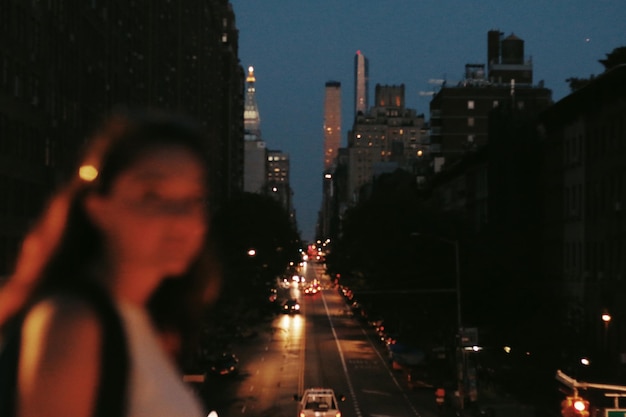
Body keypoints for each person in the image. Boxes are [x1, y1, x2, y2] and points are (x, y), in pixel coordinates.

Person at [0, 107, 221, 417]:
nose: (180, 218)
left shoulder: (144, 324)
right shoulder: (74, 324)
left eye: (193, 199)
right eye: (152, 195)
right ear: (98, 209)